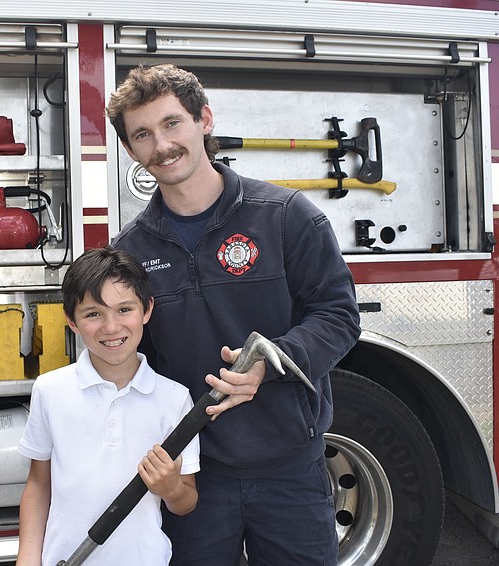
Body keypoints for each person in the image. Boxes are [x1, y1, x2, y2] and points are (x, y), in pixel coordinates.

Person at [107, 64, 361, 566]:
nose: (162, 145)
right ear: (130, 150)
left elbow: (338, 316)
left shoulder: (286, 216)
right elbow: (135, 361)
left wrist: (272, 362)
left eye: (172, 123)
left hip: (290, 469)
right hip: (194, 475)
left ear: (204, 120)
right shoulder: (131, 251)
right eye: (142, 134)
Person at [16, 245, 201, 566]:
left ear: (147, 309)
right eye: (93, 314)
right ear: (71, 320)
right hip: (65, 560)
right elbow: (39, 483)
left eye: (124, 309)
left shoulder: (175, 399)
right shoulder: (50, 390)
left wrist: (172, 489)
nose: (111, 327)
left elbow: (186, 501)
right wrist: (28, 559)